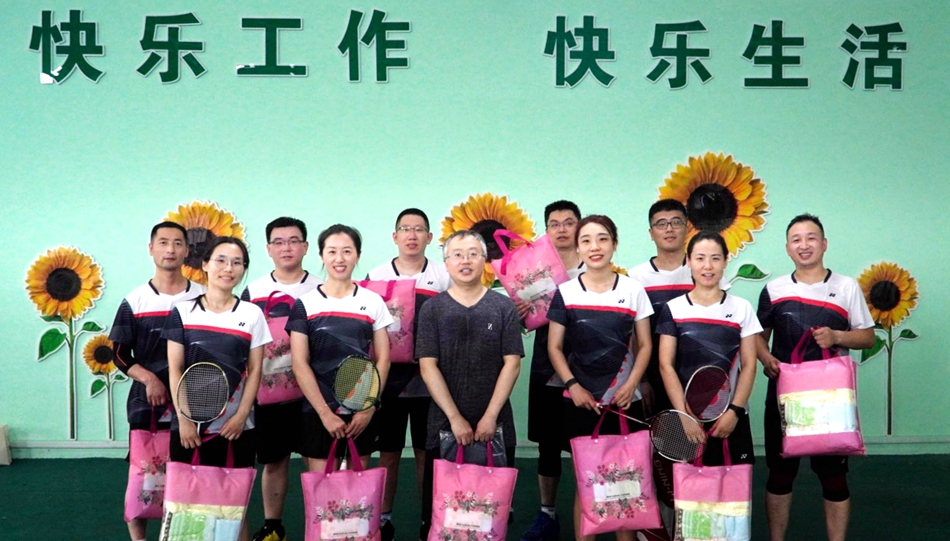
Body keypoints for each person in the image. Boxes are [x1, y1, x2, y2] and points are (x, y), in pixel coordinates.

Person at [756, 214, 875, 541]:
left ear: (824, 244)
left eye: (811, 238)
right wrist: (766, 358)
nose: (804, 245)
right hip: (784, 395)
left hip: (830, 399)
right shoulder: (773, 289)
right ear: (787, 248)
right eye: (796, 239)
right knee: (780, 475)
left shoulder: (846, 286)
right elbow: (756, 338)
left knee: (833, 478)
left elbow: (867, 337)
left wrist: (837, 336)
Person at [547, 215, 653, 541]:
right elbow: (554, 347)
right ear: (578, 248)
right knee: (587, 483)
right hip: (581, 403)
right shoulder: (565, 292)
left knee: (626, 486)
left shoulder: (633, 290)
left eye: (603, 238)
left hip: (625, 402)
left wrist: (631, 385)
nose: (595, 246)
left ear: (614, 244)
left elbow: (646, 344)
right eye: (587, 240)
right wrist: (573, 386)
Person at [416, 230, 524, 540]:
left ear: (484, 260)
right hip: (443, 426)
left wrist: (490, 416)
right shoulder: (432, 309)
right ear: (446, 263)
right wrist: (454, 418)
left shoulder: (502, 307)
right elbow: (427, 365)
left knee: (490, 518)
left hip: (496, 427)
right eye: (458, 255)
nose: (465, 261)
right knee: (444, 516)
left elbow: (512, 363)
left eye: (473, 254)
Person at [164, 236, 271, 541]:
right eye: (221, 260)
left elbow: (255, 371)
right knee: (186, 504)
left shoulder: (252, 314)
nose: (228, 268)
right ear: (205, 264)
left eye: (237, 263)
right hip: (189, 427)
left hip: (236, 428)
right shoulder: (182, 312)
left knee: (233, 507)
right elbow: (175, 368)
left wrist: (240, 417)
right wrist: (185, 419)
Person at [111, 221, 205, 541]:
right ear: (151, 249)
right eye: (163, 242)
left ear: (187, 251)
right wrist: (149, 378)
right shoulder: (135, 300)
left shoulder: (202, 297)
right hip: (146, 402)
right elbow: (119, 354)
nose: (170, 249)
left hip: (193, 402)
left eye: (178, 243)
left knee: (188, 473)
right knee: (144, 476)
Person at [365, 208, 450, 541]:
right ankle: (383, 519)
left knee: (427, 452)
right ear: (395, 236)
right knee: (388, 451)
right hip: (389, 379)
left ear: (429, 237)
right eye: (405, 229)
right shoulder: (376, 276)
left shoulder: (444, 275)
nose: (412, 235)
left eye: (418, 229)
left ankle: (429, 519)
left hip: (432, 379)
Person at [287, 224, 392, 474]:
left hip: (361, 408)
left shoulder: (373, 301)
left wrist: (368, 407)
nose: (339, 259)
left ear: (357, 255)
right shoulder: (305, 304)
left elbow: (383, 359)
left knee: (360, 488)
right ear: (321, 256)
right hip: (319, 410)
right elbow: (299, 363)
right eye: (332, 252)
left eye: (347, 251)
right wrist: (325, 413)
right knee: (322, 487)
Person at [242, 217, 322, 541]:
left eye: (293, 241)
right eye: (279, 242)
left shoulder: (321, 287)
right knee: (274, 462)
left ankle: (322, 526)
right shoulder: (254, 291)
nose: (286, 247)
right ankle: (272, 527)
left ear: (305, 246)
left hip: (314, 395)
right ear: (268, 249)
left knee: (316, 461)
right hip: (269, 395)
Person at [656, 232, 760, 467]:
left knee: (733, 487)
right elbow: (665, 365)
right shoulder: (673, 309)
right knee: (690, 487)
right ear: (688, 261)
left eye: (715, 258)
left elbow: (749, 365)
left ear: (725, 261)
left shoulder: (742, 308)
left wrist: (734, 411)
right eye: (700, 258)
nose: (708, 266)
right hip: (687, 418)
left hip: (731, 417)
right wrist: (684, 415)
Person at [517, 200, 585, 541]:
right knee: (547, 444)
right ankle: (547, 515)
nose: (561, 229)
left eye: (568, 222)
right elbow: (525, 323)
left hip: (589, 372)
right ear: (546, 231)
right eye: (554, 224)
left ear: (580, 226)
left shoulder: (595, 268)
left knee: (585, 445)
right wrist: (520, 313)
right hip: (546, 366)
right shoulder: (536, 273)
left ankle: (591, 512)